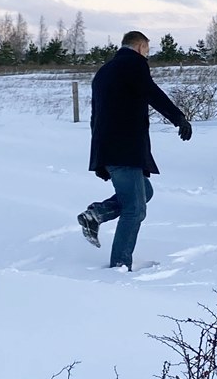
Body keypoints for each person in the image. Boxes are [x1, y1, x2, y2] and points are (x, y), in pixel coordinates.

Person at [77, 31, 193, 270]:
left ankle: (97, 214)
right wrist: (178, 118)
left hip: (110, 147)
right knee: (135, 209)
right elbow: (152, 93)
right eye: (147, 51)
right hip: (125, 148)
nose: (147, 56)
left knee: (145, 192)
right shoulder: (134, 65)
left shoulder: (103, 72)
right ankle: (120, 265)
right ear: (140, 47)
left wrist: (99, 157)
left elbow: (95, 116)